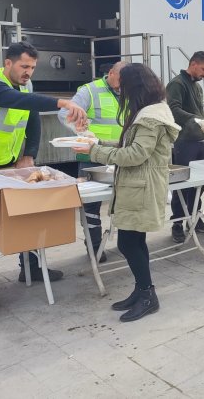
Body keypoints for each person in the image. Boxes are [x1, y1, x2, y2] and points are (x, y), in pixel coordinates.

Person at [0, 41, 87, 283]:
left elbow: (31, 117)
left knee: (23, 215)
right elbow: (19, 101)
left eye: (33, 67)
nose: (28, 72)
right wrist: (63, 103)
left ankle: (31, 268)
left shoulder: (25, 87)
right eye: (24, 66)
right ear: (8, 63)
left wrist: (30, 154)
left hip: (4, 165)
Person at [74, 64, 179, 322]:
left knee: (127, 242)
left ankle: (147, 295)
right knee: (134, 240)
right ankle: (143, 290)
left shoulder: (150, 117)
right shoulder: (151, 111)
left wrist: (95, 153)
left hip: (140, 186)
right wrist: (96, 142)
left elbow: (135, 154)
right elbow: (130, 145)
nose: (122, 94)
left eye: (124, 89)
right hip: (137, 185)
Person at [58, 61, 127, 262]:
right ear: (111, 73)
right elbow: (64, 113)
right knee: (91, 205)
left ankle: (126, 243)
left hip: (120, 155)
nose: (122, 85)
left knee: (124, 201)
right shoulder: (90, 90)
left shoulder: (130, 90)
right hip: (92, 157)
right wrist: (79, 129)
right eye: (119, 80)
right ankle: (94, 247)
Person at [166, 51, 204, 242]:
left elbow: (199, 111)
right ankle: (177, 223)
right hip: (184, 141)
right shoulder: (177, 84)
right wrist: (198, 119)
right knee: (182, 183)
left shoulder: (197, 87)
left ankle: (194, 218)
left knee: (199, 183)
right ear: (193, 64)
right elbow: (173, 110)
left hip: (199, 140)